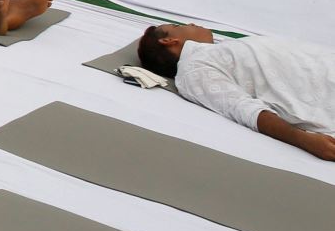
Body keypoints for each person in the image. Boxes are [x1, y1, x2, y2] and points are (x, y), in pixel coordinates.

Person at [132, 24, 335, 161]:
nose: (192, 24)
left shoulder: (219, 52)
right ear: (169, 41)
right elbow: (244, 109)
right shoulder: (194, 69)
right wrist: (304, 140)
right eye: (178, 26)